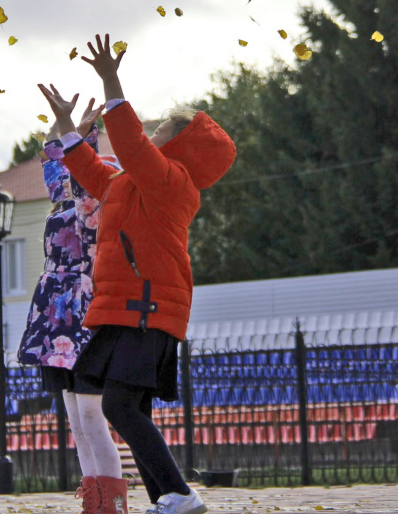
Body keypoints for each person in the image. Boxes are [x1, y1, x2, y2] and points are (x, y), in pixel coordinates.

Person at [40, 35, 235, 514]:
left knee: (118, 406)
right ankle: (167, 499)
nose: (151, 132)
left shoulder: (172, 181)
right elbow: (90, 170)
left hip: (147, 307)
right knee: (132, 407)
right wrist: (66, 125)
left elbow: (128, 143)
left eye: (162, 129)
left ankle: (181, 494)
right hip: (130, 306)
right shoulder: (135, 182)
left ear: (182, 147)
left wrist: (110, 79)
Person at [17, 100, 125, 514]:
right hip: (55, 310)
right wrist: (63, 126)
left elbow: (78, 171)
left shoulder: (94, 203)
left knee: (91, 415)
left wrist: (74, 132)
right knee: (76, 421)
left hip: (84, 307)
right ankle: (94, 500)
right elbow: (54, 162)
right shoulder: (62, 201)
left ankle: (112, 503)